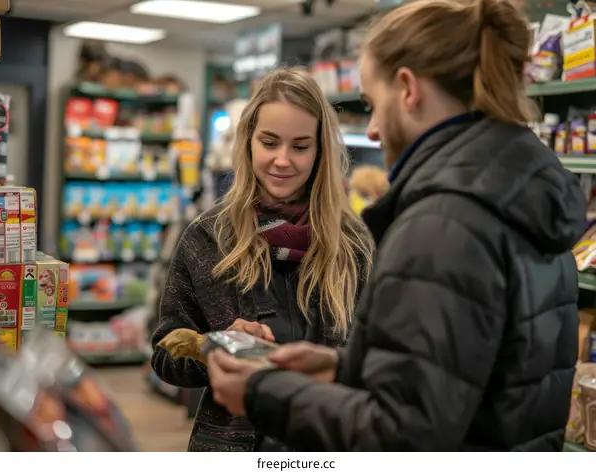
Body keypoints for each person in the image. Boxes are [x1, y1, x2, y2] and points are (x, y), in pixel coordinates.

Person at [207, 0, 587, 452]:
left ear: (407, 89)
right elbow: (468, 380)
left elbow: (400, 437)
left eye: (371, 103)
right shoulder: (522, 196)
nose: (370, 130)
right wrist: (347, 368)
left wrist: (261, 393)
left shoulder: (445, 222)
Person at [150, 68, 374, 452]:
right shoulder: (207, 237)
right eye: (269, 142)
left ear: (321, 151)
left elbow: (376, 356)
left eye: (300, 146)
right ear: (249, 140)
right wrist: (217, 347)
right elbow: (165, 354)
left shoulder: (353, 244)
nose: (282, 160)